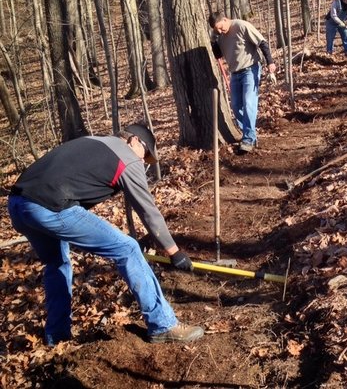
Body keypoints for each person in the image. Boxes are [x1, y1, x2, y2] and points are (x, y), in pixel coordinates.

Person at [7, 123, 204, 346]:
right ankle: (163, 324)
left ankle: (57, 335)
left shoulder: (94, 142)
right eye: (145, 154)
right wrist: (174, 251)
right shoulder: (126, 157)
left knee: (57, 264)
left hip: (18, 204)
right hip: (50, 207)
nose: (143, 162)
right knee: (128, 248)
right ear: (134, 141)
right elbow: (148, 211)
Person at [209, 12, 276, 154]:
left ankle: (248, 139)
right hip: (235, 73)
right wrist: (214, 40)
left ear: (225, 19)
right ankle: (249, 133)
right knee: (235, 105)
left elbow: (262, 42)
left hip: (250, 69)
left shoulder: (241, 26)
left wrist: (270, 62)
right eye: (217, 30)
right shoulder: (219, 36)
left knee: (249, 102)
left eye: (221, 28)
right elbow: (218, 55)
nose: (220, 31)